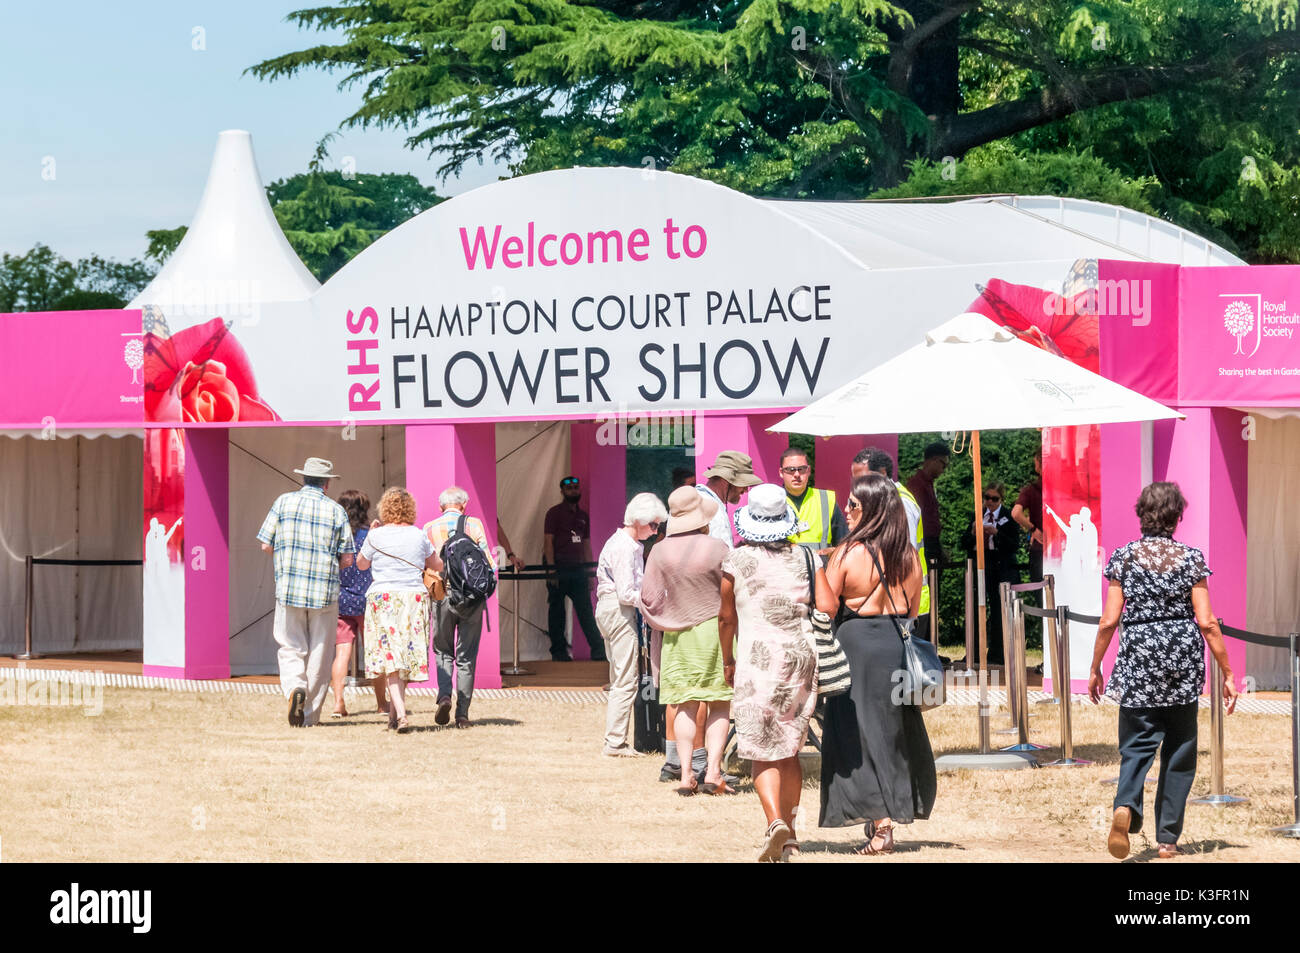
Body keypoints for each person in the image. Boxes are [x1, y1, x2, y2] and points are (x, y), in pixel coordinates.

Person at [1089, 482, 1239, 860]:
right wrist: (1227, 671)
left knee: (1136, 746)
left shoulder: (1123, 558)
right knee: (1179, 750)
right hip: (1181, 663)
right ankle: (1168, 840)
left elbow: (1109, 621)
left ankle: (1125, 804)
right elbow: (1206, 622)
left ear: (1141, 513)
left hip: (1139, 658)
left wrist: (1095, 667)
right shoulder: (1191, 559)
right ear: (1177, 516)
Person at [820, 474, 937, 854]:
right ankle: (886, 813)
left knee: (858, 733)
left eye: (852, 504)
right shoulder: (909, 557)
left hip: (856, 645)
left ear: (870, 508)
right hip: (895, 644)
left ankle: (881, 822)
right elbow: (914, 608)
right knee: (892, 734)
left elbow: (826, 603)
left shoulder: (849, 553)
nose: (846, 511)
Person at [720, 483, 836, 861]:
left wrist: (727, 659)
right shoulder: (807, 557)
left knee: (761, 752)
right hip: (800, 659)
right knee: (789, 747)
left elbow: (725, 617)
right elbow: (829, 604)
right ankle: (791, 835)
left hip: (756, 661)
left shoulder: (735, 561)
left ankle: (775, 823)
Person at [638, 486, 732, 795]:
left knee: (684, 706)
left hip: (676, 637)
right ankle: (714, 771)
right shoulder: (718, 547)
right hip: (715, 632)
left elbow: (648, 599)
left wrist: (668, 618)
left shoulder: (659, 550)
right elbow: (734, 592)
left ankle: (685, 773)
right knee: (719, 704)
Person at [257, 457, 356, 728]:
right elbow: (348, 558)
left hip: (289, 588)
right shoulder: (336, 511)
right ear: (326, 483)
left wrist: (286, 556)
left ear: (304, 479)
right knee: (321, 652)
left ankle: (294, 690)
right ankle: (309, 713)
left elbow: (266, 544)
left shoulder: (283, 502)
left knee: (290, 646)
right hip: (324, 590)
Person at [355, 487, 443, 733]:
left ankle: (401, 716)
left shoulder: (376, 535)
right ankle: (394, 716)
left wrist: (371, 535)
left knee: (391, 656)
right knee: (404, 653)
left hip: (383, 597)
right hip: (413, 597)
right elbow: (437, 564)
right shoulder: (418, 534)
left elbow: (362, 565)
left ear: (384, 509)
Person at [595, 492, 668, 756]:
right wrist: (655, 600)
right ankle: (615, 742)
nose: (655, 530)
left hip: (611, 609)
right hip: (619, 610)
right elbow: (627, 593)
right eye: (653, 525)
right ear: (639, 520)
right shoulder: (625, 547)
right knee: (626, 680)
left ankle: (614, 740)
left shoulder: (622, 543)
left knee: (619, 678)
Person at [424, 486, 497, 729]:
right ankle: (462, 714)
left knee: (443, 650)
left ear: (440, 506)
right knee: (467, 657)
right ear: (464, 505)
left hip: (442, 595)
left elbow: (426, 566)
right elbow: (489, 564)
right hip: (471, 599)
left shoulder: (429, 528)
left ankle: (444, 695)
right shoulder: (473, 525)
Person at [851, 447, 931, 640]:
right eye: (855, 478)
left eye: (863, 477)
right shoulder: (883, 501)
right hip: (892, 602)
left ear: (883, 473)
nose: (858, 483)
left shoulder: (901, 503)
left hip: (908, 603)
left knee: (906, 667)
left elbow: (905, 554)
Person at [333, 489, 388, 718]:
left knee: (342, 653)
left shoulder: (337, 536)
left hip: (342, 600)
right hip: (368, 600)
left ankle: (338, 703)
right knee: (374, 654)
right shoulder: (371, 535)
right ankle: (381, 704)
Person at [543, 475, 605, 662]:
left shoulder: (583, 516)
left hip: (578, 567)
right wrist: (552, 569)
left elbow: (586, 545)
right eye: (570, 488)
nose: (574, 491)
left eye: (576, 488)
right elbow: (548, 542)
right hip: (558, 565)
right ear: (562, 491)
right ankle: (558, 652)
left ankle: (598, 650)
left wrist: (589, 574)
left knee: (585, 610)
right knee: (557, 611)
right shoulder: (553, 513)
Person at [960, 481, 1020, 665]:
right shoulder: (976, 515)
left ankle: (998, 653)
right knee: (975, 609)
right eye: (987, 498)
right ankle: (974, 652)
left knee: (998, 611)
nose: (990, 502)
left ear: (1001, 499)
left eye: (994, 499)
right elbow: (963, 543)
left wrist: (996, 533)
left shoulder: (1009, 516)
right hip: (980, 565)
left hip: (1001, 567)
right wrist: (972, 533)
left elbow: (1014, 545)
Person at [779, 447, 847, 550]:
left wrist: (833, 552)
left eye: (801, 469)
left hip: (821, 564)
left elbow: (843, 543)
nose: (797, 474)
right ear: (781, 472)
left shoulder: (826, 499)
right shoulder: (773, 501)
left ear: (808, 470)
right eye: (790, 470)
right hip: (785, 565)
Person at [696, 450, 762, 547]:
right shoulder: (713, 509)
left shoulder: (696, 498)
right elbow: (723, 558)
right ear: (726, 479)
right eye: (743, 484)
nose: (746, 490)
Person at [1012, 450, 1044, 583]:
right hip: (1062, 549)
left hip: (1039, 546)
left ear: (1038, 465)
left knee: (1039, 594)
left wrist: (1033, 530)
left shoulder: (1031, 490)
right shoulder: (1065, 486)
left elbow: (1016, 513)